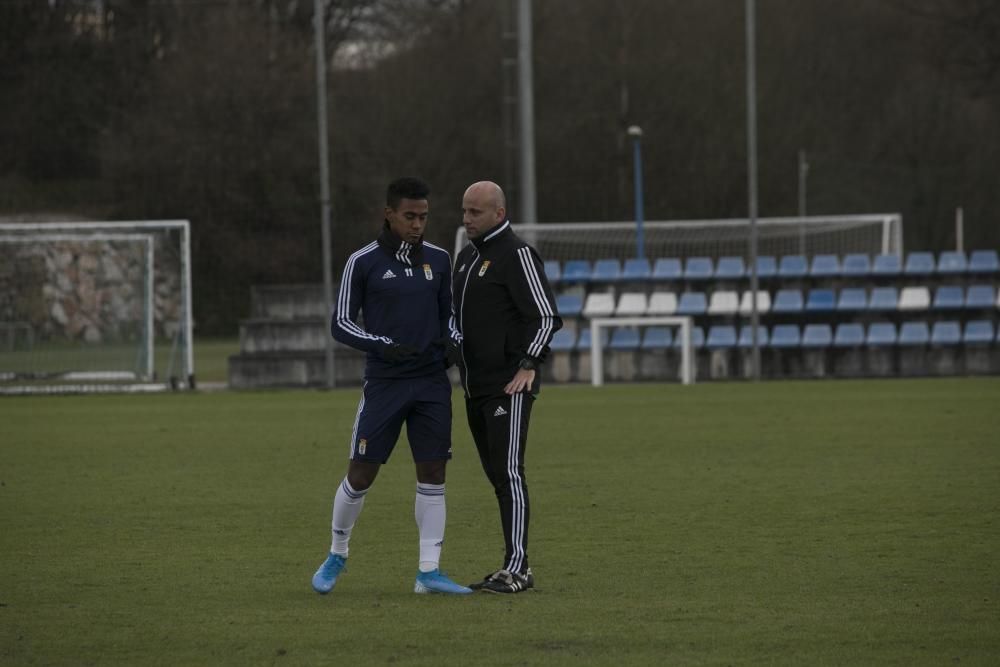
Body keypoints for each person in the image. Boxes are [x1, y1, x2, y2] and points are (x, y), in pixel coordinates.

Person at [312, 177, 471, 595]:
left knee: (433, 472)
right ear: (389, 214)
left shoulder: (438, 259)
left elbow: (449, 315)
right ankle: (337, 553)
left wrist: (453, 340)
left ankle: (428, 571)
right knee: (361, 473)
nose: (418, 224)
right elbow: (341, 323)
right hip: (385, 384)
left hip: (432, 383)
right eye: (410, 216)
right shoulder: (362, 262)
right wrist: (383, 345)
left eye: (423, 217)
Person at [450, 181, 562, 594]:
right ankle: (512, 566)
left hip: (508, 386)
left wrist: (530, 362)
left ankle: (518, 569)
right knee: (498, 475)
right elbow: (453, 318)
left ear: (498, 213)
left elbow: (546, 317)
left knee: (510, 473)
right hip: (473, 388)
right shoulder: (465, 258)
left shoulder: (518, 254)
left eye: (475, 212)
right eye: (464, 211)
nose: (466, 219)